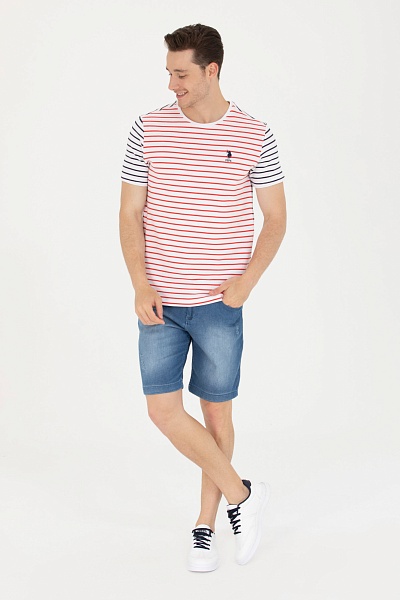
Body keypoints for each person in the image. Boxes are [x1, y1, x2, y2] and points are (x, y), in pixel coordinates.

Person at [119, 23, 286, 572]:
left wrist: (246, 284)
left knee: (216, 416)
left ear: (212, 70)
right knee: (162, 410)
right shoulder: (148, 128)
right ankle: (243, 495)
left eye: (182, 74)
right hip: (160, 302)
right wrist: (140, 282)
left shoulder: (255, 134)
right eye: (169, 73)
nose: (172, 84)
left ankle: (205, 525)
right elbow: (129, 212)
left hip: (220, 304)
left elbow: (276, 219)